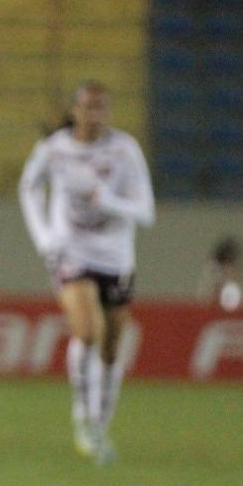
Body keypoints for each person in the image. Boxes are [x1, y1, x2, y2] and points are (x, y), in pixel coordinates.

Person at [18, 80, 155, 465]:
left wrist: (107, 200)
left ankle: (100, 424)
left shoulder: (124, 150)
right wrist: (45, 236)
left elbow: (146, 211)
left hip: (116, 258)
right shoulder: (54, 149)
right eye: (88, 107)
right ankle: (83, 417)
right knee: (87, 331)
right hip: (71, 252)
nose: (94, 115)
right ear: (75, 110)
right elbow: (29, 187)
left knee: (112, 347)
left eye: (102, 108)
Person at [199, 236, 243, 311]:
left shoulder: (232, 281)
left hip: (230, 304)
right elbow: (211, 288)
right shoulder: (213, 268)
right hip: (211, 302)